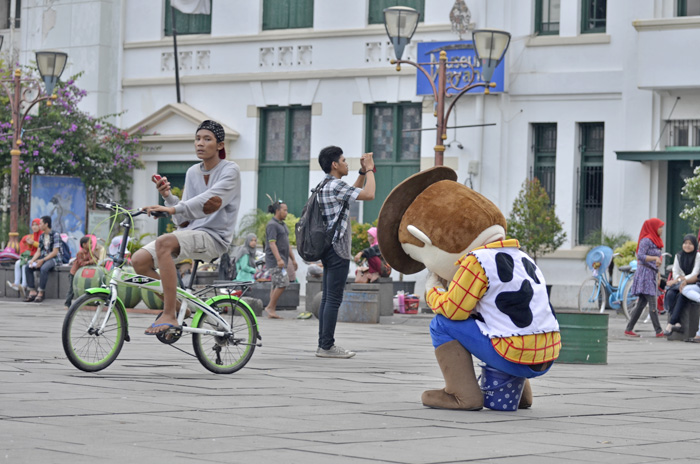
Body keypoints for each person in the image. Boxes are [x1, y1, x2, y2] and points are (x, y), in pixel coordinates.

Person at [133, 120, 241, 335]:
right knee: (138, 261)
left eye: (207, 139)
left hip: (214, 238)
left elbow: (208, 200)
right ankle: (179, 305)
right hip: (191, 233)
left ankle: (169, 314)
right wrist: (167, 197)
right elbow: (183, 220)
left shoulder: (231, 170)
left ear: (220, 145)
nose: (200, 143)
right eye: (197, 138)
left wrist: (173, 210)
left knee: (164, 242)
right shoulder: (193, 172)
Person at [315, 146, 375, 358]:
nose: (346, 163)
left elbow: (351, 194)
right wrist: (369, 170)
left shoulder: (325, 184)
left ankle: (323, 344)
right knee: (333, 299)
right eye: (343, 160)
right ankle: (327, 346)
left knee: (326, 299)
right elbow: (369, 194)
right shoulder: (336, 185)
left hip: (327, 248)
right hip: (338, 248)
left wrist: (359, 173)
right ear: (334, 165)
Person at [625, 218, 665, 337]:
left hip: (652, 273)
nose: (661, 230)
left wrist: (658, 268)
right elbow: (640, 256)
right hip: (645, 274)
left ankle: (629, 328)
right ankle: (659, 331)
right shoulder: (646, 240)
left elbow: (659, 256)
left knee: (641, 304)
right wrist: (654, 259)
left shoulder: (656, 240)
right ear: (653, 227)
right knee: (653, 302)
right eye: (660, 227)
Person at [263, 200, 297, 319]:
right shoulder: (272, 225)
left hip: (283, 260)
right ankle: (270, 307)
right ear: (277, 210)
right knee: (283, 283)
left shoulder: (282, 224)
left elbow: (287, 245)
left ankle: (271, 309)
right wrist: (278, 259)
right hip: (275, 261)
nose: (286, 212)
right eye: (285, 210)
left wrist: (293, 260)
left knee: (276, 284)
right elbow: (272, 244)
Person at [662, 234, 700, 335]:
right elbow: (675, 272)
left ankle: (671, 323)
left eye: (690, 244)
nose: (687, 246)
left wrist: (682, 280)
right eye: (685, 243)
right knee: (670, 294)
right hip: (679, 283)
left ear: (694, 245)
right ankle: (677, 322)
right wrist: (678, 280)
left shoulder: (698, 256)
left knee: (681, 294)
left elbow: (695, 274)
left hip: (693, 283)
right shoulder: (678, 256)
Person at [24, 216, 62, 303]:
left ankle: (41, 292)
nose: (39, 225)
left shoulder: (55, 235)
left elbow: (55, 252)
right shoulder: (42, 236)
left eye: (40, 223)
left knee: (43, 268)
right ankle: (32, 292)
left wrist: (42, 260)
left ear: (46, 224)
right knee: (28, 267)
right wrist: (33, 260)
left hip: (54, 259)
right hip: (44, 258)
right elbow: (39, 251)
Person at [7, 218, 41, 297]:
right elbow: (29, 248)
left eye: (37, 225)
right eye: (33, 225)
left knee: (25, 264)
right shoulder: (32, 236)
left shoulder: (41, 235)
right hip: (31, 257)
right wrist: (28, 243)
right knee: (18, 263)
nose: (34, 227)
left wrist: (32, 242)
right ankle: (16, 283)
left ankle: (24, 285)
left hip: (38, 258)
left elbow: (41, 247)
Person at [64, 236, 98, 309]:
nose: (92, 245)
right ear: (84, 245)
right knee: (72, 289)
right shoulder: (80, 253)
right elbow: (81, 263)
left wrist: (95, 259)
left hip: (83, 274)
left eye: (92, 243)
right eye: (90, 243)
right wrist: (90, 261)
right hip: (74, 273)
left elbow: (95, 259)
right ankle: (67, 304)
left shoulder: (90, 252)